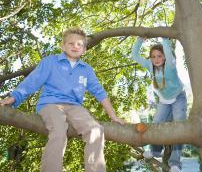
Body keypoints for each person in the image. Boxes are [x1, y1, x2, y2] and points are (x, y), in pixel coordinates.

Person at [0, 27, 124, 172]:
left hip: (75, 107)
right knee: (59, 131)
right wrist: (14, 98)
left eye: (79, 44)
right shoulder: (50, 62)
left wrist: (113, 116)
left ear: (84, 50)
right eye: (71, 43)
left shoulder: (86, 70)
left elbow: (100, 92)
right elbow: (32, 81)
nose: (75, 46)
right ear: (63, 46)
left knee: (96, 130)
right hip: (50, 104)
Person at [131, 37, 187, 172]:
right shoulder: (150, 65)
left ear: (165, 57)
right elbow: (135, 55)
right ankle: (156, 151)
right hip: (164, 100)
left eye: (159, 56)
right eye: (153, 56)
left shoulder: (170, 65)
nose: (156, 59)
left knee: (179, 126)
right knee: (156, 123)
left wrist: (165, 38)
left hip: (178, 98)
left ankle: (175, 163)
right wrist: (140, 40)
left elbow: (168, 52)